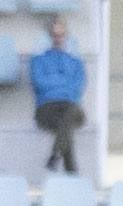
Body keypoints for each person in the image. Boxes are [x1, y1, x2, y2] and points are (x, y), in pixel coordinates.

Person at [30, 18, 87, 174]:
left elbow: (78, 86)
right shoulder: (38, 60)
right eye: (54, 35)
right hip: (47, 108)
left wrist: (55, 83)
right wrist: (63, 84)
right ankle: (71, 174)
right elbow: (39, 83)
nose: (58, 38)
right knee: (66, 127)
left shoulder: (75, 61)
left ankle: (56, 154)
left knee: (70, 115)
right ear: (49, 37)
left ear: (66, 36)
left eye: (61, 35)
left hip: (70, 106)